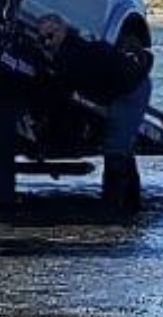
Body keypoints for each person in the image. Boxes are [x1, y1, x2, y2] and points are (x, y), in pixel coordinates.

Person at [35, 16, 154, 215]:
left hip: (132, 90)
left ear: (62, 31)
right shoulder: (70, 50)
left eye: (49, 36)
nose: (46, 42)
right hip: (120, 87)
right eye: (42, 39)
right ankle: (130, 202)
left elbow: (61, 89)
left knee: (116, 148)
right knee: (121, 148)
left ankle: (115, 206)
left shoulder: (72, 54)